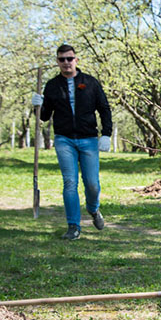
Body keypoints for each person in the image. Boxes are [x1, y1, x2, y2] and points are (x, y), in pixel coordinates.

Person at [32, 44, 113, 240]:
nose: (66, 63)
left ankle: (93, 210)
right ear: (58, 61)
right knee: (70, 182)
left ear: (76, 60)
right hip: (64, 140)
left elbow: (104, 108)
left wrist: (106, 134)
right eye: (62, 59)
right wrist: (38, 105)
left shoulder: (90, 83)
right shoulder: (52, 86)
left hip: (88, 139)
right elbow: (44, 117)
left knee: (92, 183)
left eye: (69, 58)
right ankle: (73, 226)